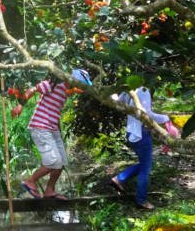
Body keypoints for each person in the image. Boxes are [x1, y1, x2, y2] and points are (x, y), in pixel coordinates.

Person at [13, 69, 91, 201]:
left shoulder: (66, 92)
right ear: (73, 80)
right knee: (53, 162)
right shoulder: (55, 84)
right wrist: (20, 105)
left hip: (53, 128)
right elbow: (34, 89)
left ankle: (49, 190)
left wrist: (59, 132)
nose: (80, 87)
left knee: (61, 161)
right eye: (80, 84)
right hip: (40, 126)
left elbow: (55, 111)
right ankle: (30, 181)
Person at [109, 86, 180, 210]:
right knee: (145, 168)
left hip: (130, 132)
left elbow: (118, 103)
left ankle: (118, 179)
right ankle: (141, 201)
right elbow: (147, 115)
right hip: (140, 133)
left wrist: (113, 95)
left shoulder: (129, 88)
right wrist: (166, 118)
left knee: (144, 164)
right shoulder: (143, 90)